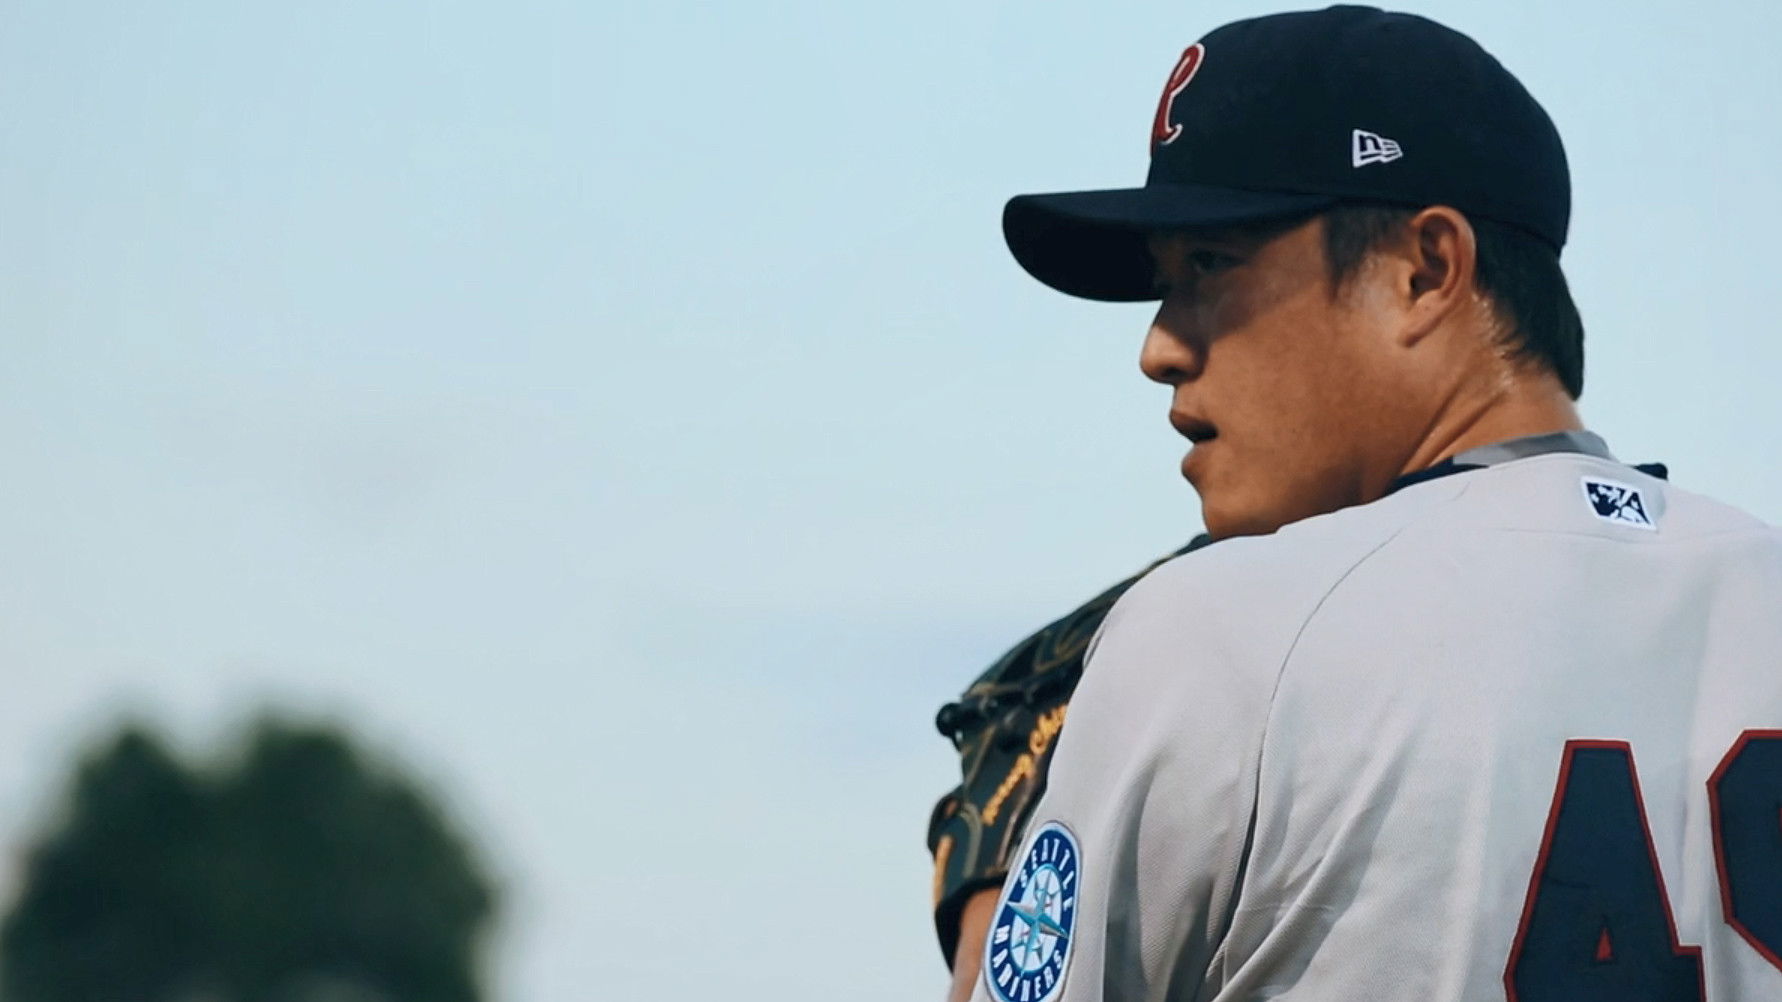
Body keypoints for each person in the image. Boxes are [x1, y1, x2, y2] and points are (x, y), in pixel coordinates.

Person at [967, 6, 1782, 1002]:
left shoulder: (1221, 636)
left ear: (1425, 270)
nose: (1160, 347)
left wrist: (988, 905)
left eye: (1210, 266)